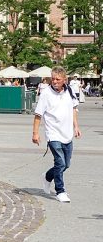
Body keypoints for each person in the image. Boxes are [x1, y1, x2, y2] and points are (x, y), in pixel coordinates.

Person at [33, 66, 81, 203]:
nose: (54, 81)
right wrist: (35, 133)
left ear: (64, 80)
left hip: (67, 133)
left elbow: (73, 109)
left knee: (66, 164)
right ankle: (60, 191)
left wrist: (76, 126)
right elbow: (38, 115)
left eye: (58, 79)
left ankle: (47, 176)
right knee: (60, 163)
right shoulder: (46, 94)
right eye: (52, 79)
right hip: (53, 134)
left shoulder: (69, 91)